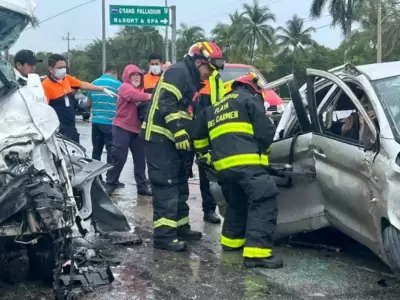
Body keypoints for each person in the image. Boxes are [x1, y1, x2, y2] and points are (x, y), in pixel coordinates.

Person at [191, 72, 282, 269]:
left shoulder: (215, 107)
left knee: (237, 201)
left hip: (223, 169)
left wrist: (205, 155)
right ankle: (257, 254)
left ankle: (231, 242)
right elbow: (265, 132)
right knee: (264, 199)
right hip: (247, 164)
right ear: (252, 87)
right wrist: (264, 154)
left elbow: (197, 132)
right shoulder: (250, 99)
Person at [140, 41, 225, 251]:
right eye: (209, 68)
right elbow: (166, 102)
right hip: (160, 140)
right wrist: (178, 132)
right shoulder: (178, 72)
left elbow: (188, 115)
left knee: (179, 185)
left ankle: (180, 227)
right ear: (198, 61)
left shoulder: (192, 78)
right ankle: (164, 237)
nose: (209, 74)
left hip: (173, 143)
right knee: (167, 186)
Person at [42, 54, 116, 143]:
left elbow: (82, 84)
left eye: (64, 67)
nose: (63, 70)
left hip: (71, 127)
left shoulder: (67, 79)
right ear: (51, 69)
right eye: (59, 67)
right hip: (57, 130)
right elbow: (43, 110)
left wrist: (102, 89)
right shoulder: (45, 85)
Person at [105, 64, 152, 197]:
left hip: (137, 129)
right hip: (122, 127)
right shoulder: (125, 87)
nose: (136, 77)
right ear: (127, 76)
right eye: (133, 75)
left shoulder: (140, 89)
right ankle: (110, 183)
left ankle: (142, 186)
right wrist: (151, 96)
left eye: (138, 75)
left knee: (140, 159)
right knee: (119, 156)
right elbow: (134, 96)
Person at [194, 70, 225, 224]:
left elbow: (220, 102)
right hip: (186, 127)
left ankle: (209, 210)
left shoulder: (216, 79)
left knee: (207, 170)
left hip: (208, 129)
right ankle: (177, 215)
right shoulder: (187, 76)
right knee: (178, 173)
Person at [87, 65, 122, 180]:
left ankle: (96, 178)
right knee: (111, 151)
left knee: (96, 151)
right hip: (111, 123)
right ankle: (110, 179)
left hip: (96, 122)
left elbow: (88, 104)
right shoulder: (118, 85)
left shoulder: (94, 83)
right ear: (115, 73)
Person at [139, 53, 163, 123]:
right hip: (146, 115)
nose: (154, 66)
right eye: (152, 64)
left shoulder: (167, 77)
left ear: (161, 64)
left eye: (156, 64)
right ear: (149, 65)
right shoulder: (144, 78)